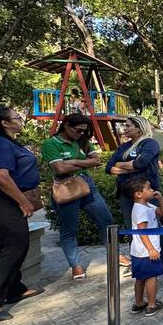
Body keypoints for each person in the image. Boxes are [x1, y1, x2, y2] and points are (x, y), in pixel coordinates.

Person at [41, 113, 114, 280]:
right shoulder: (51, 143)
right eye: (78, 130)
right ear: (66, 125)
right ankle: (76, 265)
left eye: (84, 131)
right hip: (66, 187)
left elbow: (96, 161)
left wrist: (71, 162)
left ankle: (115, 255)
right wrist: (80, 162)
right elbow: (59, 169)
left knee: (107, 222)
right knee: (69, 229)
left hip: (87, 184)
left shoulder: (82, 141)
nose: (81, 134)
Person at [0, 106, 45, 322]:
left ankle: (15, 288)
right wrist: (23, 201)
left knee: (9, 244)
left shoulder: (9, 142)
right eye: (17, 117)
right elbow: (1, 176)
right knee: (15, 244)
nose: (21, 119)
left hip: (11, 200)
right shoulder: (0, 143)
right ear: (5, 123)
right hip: (4, 201)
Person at [106, 115, 163, 266]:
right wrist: (130, 167)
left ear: (139, 128)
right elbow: (108, 167)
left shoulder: (149, 143)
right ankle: (139, 259)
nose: (124, 128)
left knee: (153, 226)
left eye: (128, 126)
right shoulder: (124, 146)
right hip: (126, 194)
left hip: (146, 193)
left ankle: (160, 259)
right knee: (132, 227)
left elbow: (141, 163)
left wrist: (120, 165)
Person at [124, 175, 163, 317]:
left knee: (141, 277)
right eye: (148, 188)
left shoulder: (147, 205)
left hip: (140, 251)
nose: (152, 190)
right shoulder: (140, 210)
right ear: (138, 194)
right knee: (151, 277)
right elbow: (142, 232)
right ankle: (151, 304)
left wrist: (160, 199)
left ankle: (138, 303)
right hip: (146, 251)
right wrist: (151, 249)